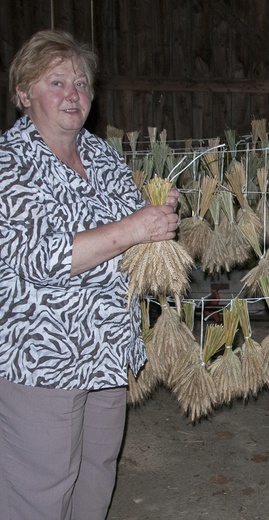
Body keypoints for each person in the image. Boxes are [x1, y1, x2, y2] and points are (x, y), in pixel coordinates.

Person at [0, 29, 180, 520]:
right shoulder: (9, 165)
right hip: (43, 356)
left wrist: (157, 216)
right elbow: (37, 258)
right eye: (56, 82)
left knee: (97, 470)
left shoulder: (102, 156)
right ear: (23, 93)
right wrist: (133, 227)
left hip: (106, 347)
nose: (72, 94)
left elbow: (134, 228)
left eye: (80, 83)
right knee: (42, 485)